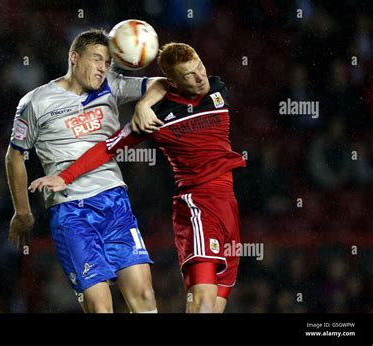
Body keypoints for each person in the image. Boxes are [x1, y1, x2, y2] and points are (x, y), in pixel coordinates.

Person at [29, 43, 247, 313]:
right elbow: (109, 146)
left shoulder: (217, 89)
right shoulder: (155, 117)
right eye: (189, 75)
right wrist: (66, 176)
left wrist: (144, 101)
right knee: (202, 299)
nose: (200, 77)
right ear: (173, 82)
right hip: (198, 205)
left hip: (229, 207)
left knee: (214, 305)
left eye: (200, 68)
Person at [6, 29, 167, 313]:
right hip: (71, 211)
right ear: (74, 57)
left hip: (115, 202)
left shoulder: (112, 86)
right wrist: (22, 212)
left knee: (144, 294)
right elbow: (15, 156)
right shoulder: (36, 102)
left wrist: (142, 105)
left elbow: (161, 84)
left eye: (107, 62)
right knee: (99, 305)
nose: (103, 68)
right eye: (96, 60)